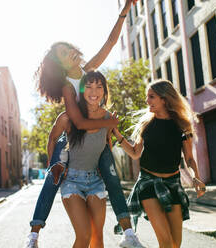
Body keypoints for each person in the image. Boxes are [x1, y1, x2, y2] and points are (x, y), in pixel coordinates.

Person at [27, 1, 144, 247]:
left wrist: (124, 12)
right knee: (52, 177)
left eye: (67, 47)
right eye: (62, 53)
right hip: (71, 138)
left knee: (112, 176)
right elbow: (68, 127)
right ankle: (34, 235)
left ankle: (128, 234)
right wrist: (55, 162)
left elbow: (110, 44)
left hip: (94, 138)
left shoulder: (88, 72)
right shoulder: (67, 85)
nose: (69, 51)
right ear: (60, 64)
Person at [112, 80, 206, 248]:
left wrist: (196, 177)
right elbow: (134, 153)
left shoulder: (182, 125)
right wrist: (116, 133)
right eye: (147, 97)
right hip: (149, 183)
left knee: (175, 244)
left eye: (151, 97)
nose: (147, 101)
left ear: (164, 99)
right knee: (166, 242)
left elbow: (189, 158)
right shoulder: (146, 125)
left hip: (173, 184)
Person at [48, 71, 113, 247]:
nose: (94, 91)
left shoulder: (108, 118)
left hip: (96, 181)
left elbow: (107, 146)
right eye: (89, 86)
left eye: (99, 86)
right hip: (72, 181)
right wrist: (53, 165)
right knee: (84, 235)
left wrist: (105, 168)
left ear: (104, 91)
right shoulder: (69, 117)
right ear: (82, 91)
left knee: (97, 237)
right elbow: (52, 138)